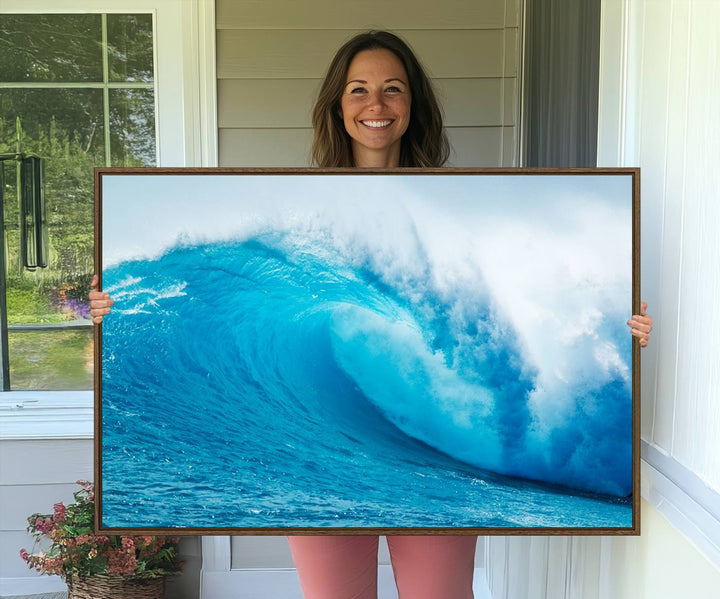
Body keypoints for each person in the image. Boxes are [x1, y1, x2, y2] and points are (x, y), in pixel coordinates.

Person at [89, 30, 653, 599]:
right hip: (319, 463)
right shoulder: (297, 201)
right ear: (338, 105)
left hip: (440, 474)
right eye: (358, 90)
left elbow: (531, 294)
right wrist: (105, 307)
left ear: (413, 105)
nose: (376, 105)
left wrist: (623, 330)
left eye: (392, 89)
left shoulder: (458, 203)